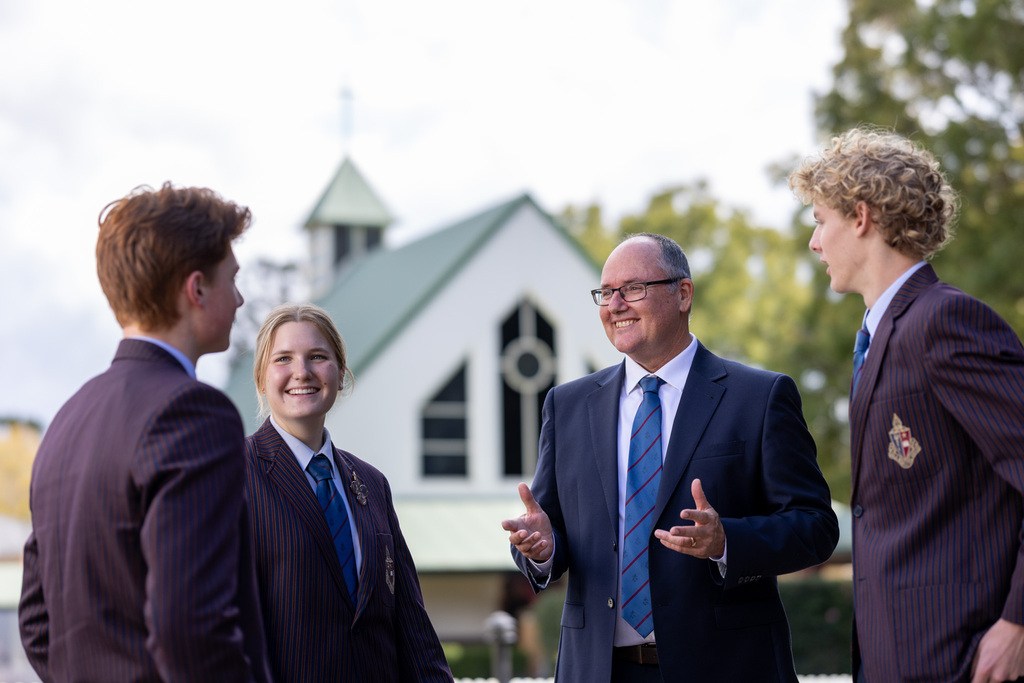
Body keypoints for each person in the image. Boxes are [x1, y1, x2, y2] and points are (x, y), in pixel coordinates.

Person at [501, 232, 840, 682]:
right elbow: (553, 533)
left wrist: (726, 543)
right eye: (606, 293)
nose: (615, 304)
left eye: (633, 289)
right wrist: (541, 550)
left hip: (727, 668)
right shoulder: (567, 406)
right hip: (600, 671)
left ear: (683, 294)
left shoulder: (758, 397)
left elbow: (815, 525)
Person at [790, 127, 1024, 683]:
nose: (814, 242)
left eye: (820, 220)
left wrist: (1017, 624)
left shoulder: (945, 322)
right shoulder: (878, 338)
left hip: (964, 661)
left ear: (862, 217)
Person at [19, 183, 272, 682]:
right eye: (232, 279)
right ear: (196, 288)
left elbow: (37, 623)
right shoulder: (193, 412)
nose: (240, 299)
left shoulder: (67, 420)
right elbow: (190, 627)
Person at [245, 303, 453, 682]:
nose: (301, 372)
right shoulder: (234, 476)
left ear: (340, 374)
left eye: (317, 357)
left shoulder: (372, 484)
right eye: (283, 359)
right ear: (261, 378)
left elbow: (412, 627)